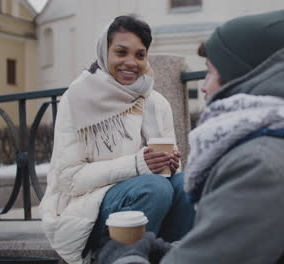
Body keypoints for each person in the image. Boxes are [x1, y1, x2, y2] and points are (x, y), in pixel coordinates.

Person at [98, 9, 284, 264]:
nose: (203, 86)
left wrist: (123, 257)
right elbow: (233, 247)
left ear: (244, 76)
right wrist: (164, 249)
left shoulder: (259, 165)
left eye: (211, 71)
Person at [39, 15, 195, 264]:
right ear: (105, 51)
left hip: (149, 202)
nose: (131, 63)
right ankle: (121, 258)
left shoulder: (157, 103)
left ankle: (172, 258)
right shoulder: (79, 98)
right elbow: (68, 178)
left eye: (140, 55)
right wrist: (137, 165)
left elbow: (167, 174)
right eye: (121, 52)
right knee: (154, 187)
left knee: (185, 183)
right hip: (86, 212)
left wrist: (169, 163)